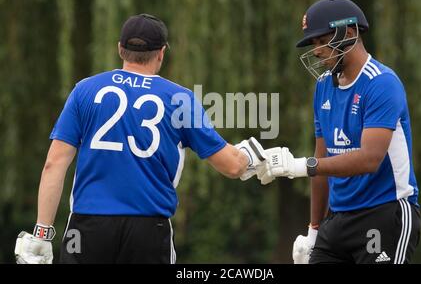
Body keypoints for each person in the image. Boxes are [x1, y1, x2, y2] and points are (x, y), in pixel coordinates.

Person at [14, 13, 266, 264]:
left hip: (87, 226)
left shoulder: (84, 90)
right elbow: (232, 166)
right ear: (161, 53)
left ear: (120, 49)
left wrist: (42, 234)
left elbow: (54, 164)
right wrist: (251, 156)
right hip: (148, 230)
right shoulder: (180, 99)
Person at [255, 0, 421, 264]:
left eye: (322, 40)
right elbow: (323, 157)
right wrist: (313, 231)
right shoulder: (323, 85)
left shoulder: (382, 83)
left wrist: (301, 166)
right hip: (338, 218)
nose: (317, 50)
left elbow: (370, 159)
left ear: (350, 33)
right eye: (313, 43)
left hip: (384, 213)